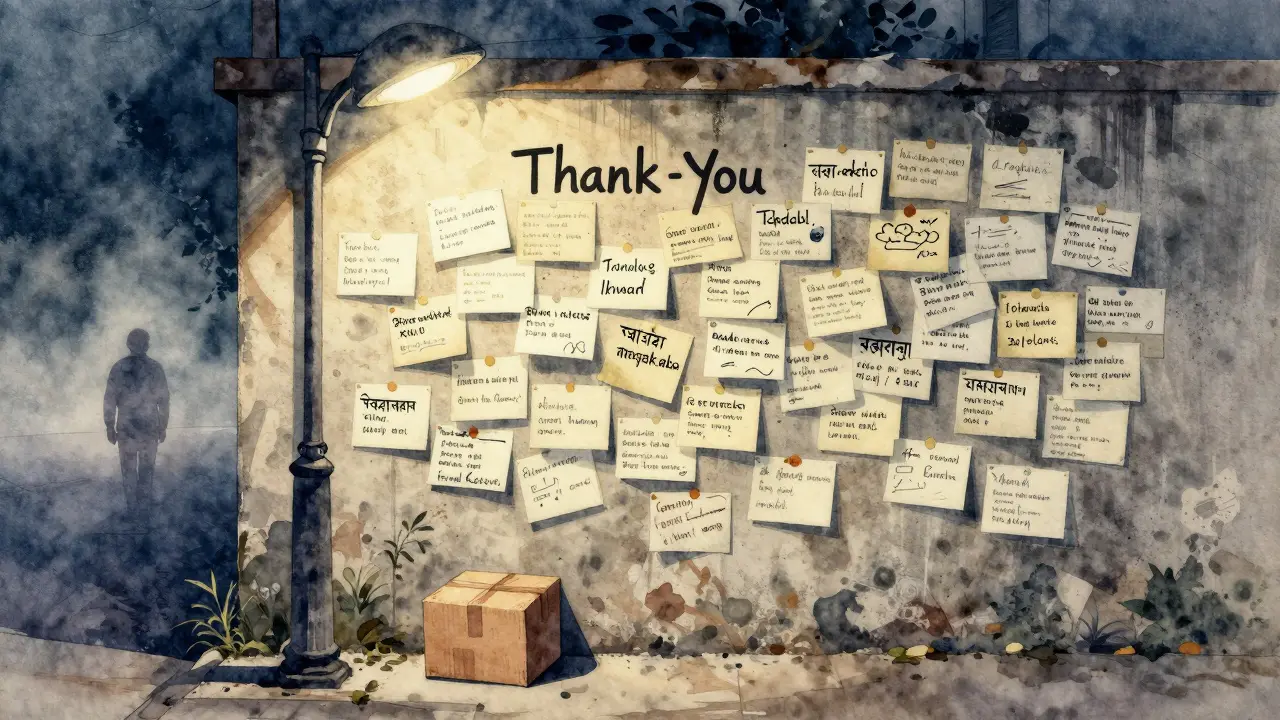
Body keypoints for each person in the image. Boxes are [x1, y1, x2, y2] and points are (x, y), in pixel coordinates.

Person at [104, 329, 169, 522]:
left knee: (129, 471)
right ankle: (143, 512)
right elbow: (163, 400)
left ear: (128, 344)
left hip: (127, 426)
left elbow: (110, 399)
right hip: (149, 426)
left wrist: (109, 425)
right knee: (146, 471)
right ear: (147, 345)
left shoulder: (119, 368)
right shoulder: (155, 368)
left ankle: (133, 511)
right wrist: (163, 425)